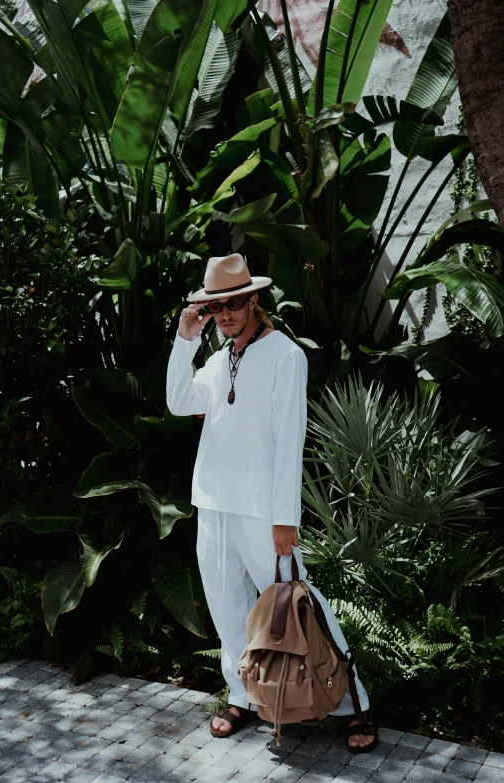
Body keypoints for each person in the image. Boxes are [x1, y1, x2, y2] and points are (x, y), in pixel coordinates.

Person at [165, 253, 376, 752]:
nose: (225, 314)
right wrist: (184, 339)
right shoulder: (219, 358)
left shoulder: (285, 354)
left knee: (301, 607)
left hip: (262, 510)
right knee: (227, 607)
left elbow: (290, 440)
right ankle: (244, 696)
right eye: (216, 308)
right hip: (213, 503)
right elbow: (178, 401)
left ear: (254, 298)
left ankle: (354, 705)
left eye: (234, 303)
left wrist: (285, 519)